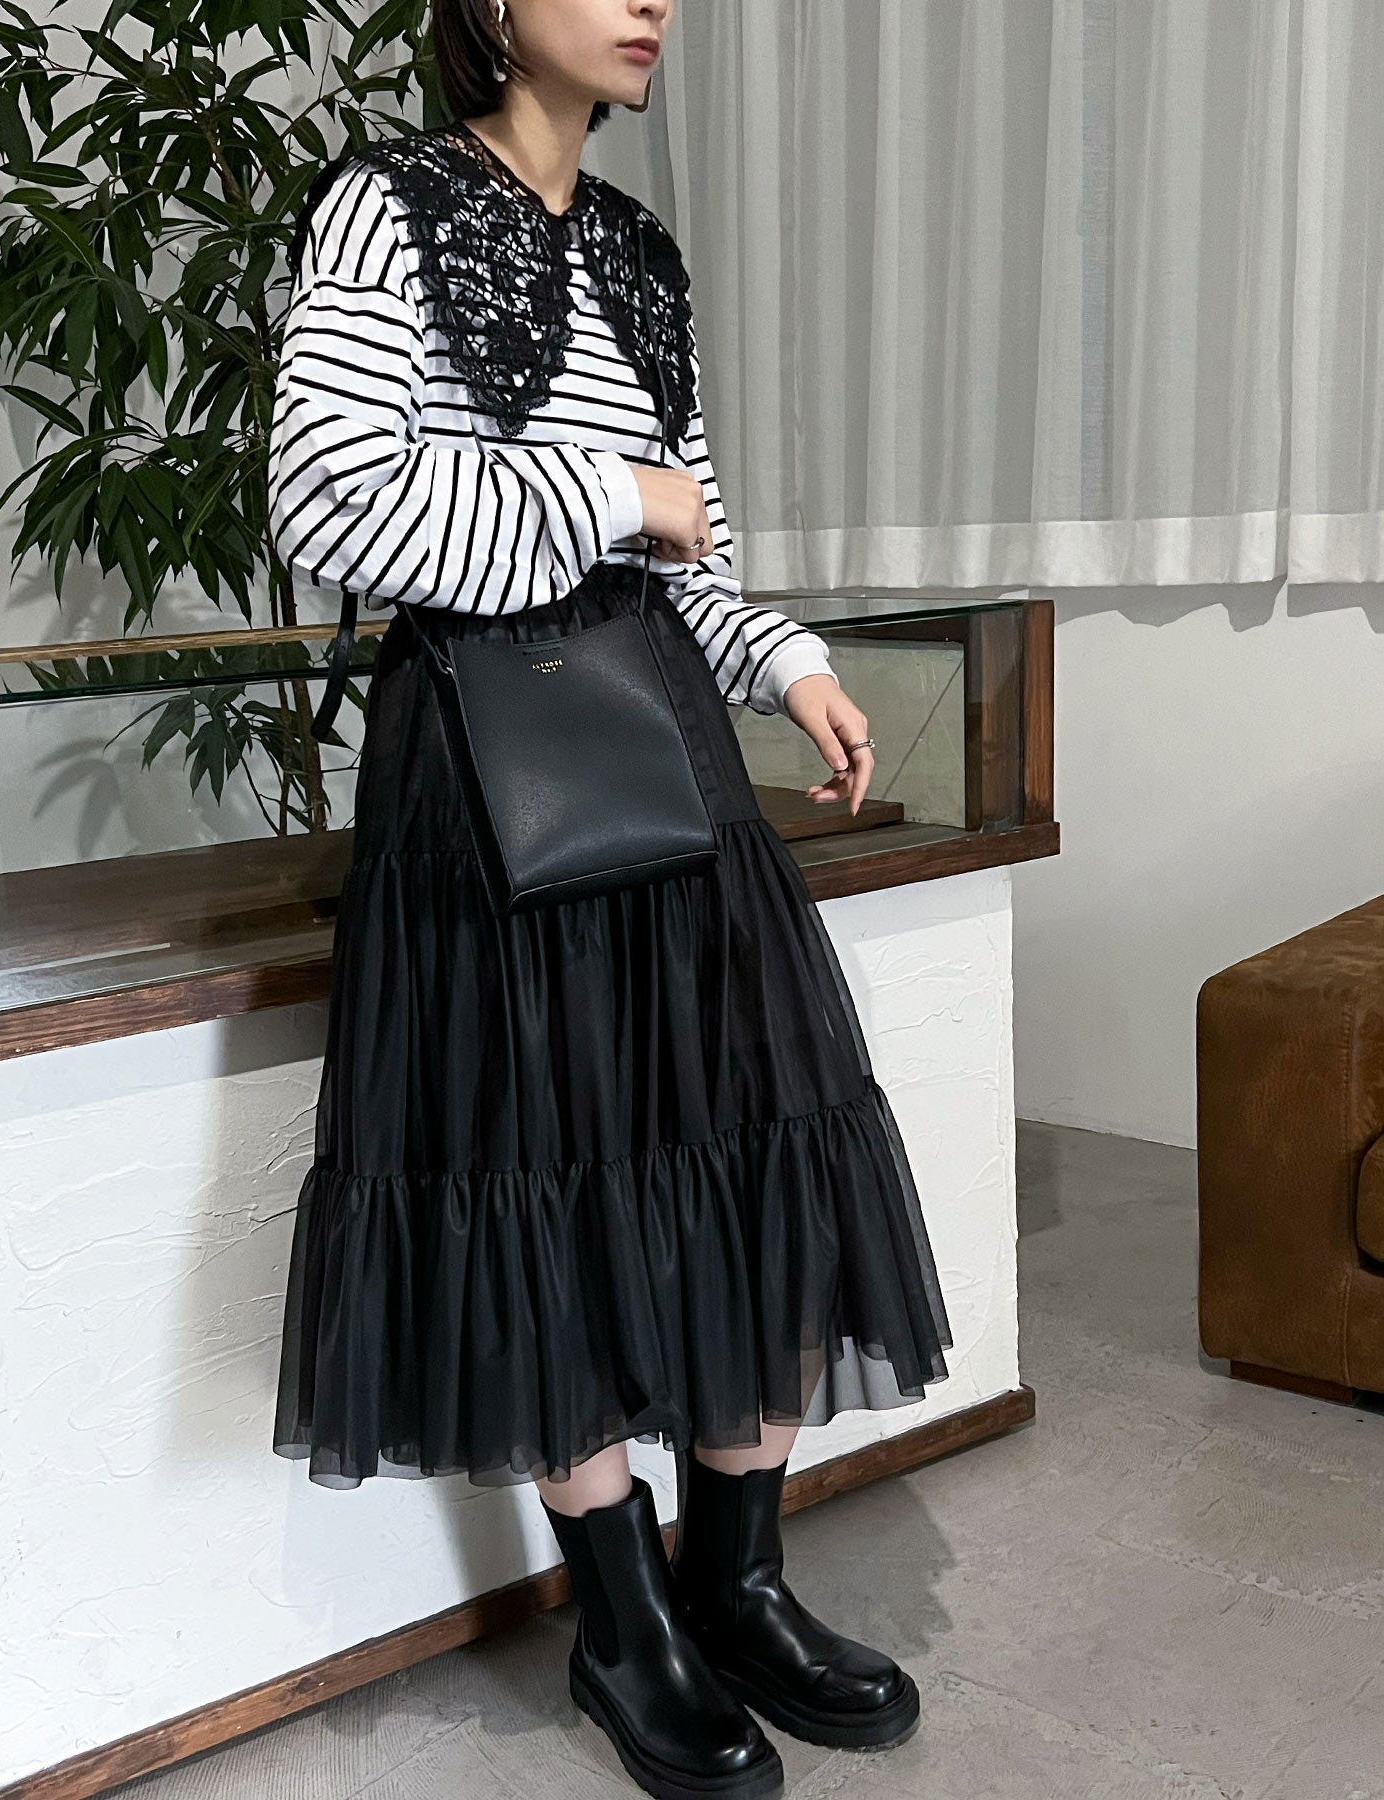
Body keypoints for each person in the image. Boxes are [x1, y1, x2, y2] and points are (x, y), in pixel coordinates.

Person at [266, 2, 953, 1793]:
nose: (651, 4)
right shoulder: (388, 205)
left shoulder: (640, 251)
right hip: (484, 776)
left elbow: (685, 546)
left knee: (762, 1136)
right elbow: (331, 508)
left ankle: (740, 1580)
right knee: (539, 1174)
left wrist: (788, 663)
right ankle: (624, 1622)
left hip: (666, 743)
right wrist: (611, 491)